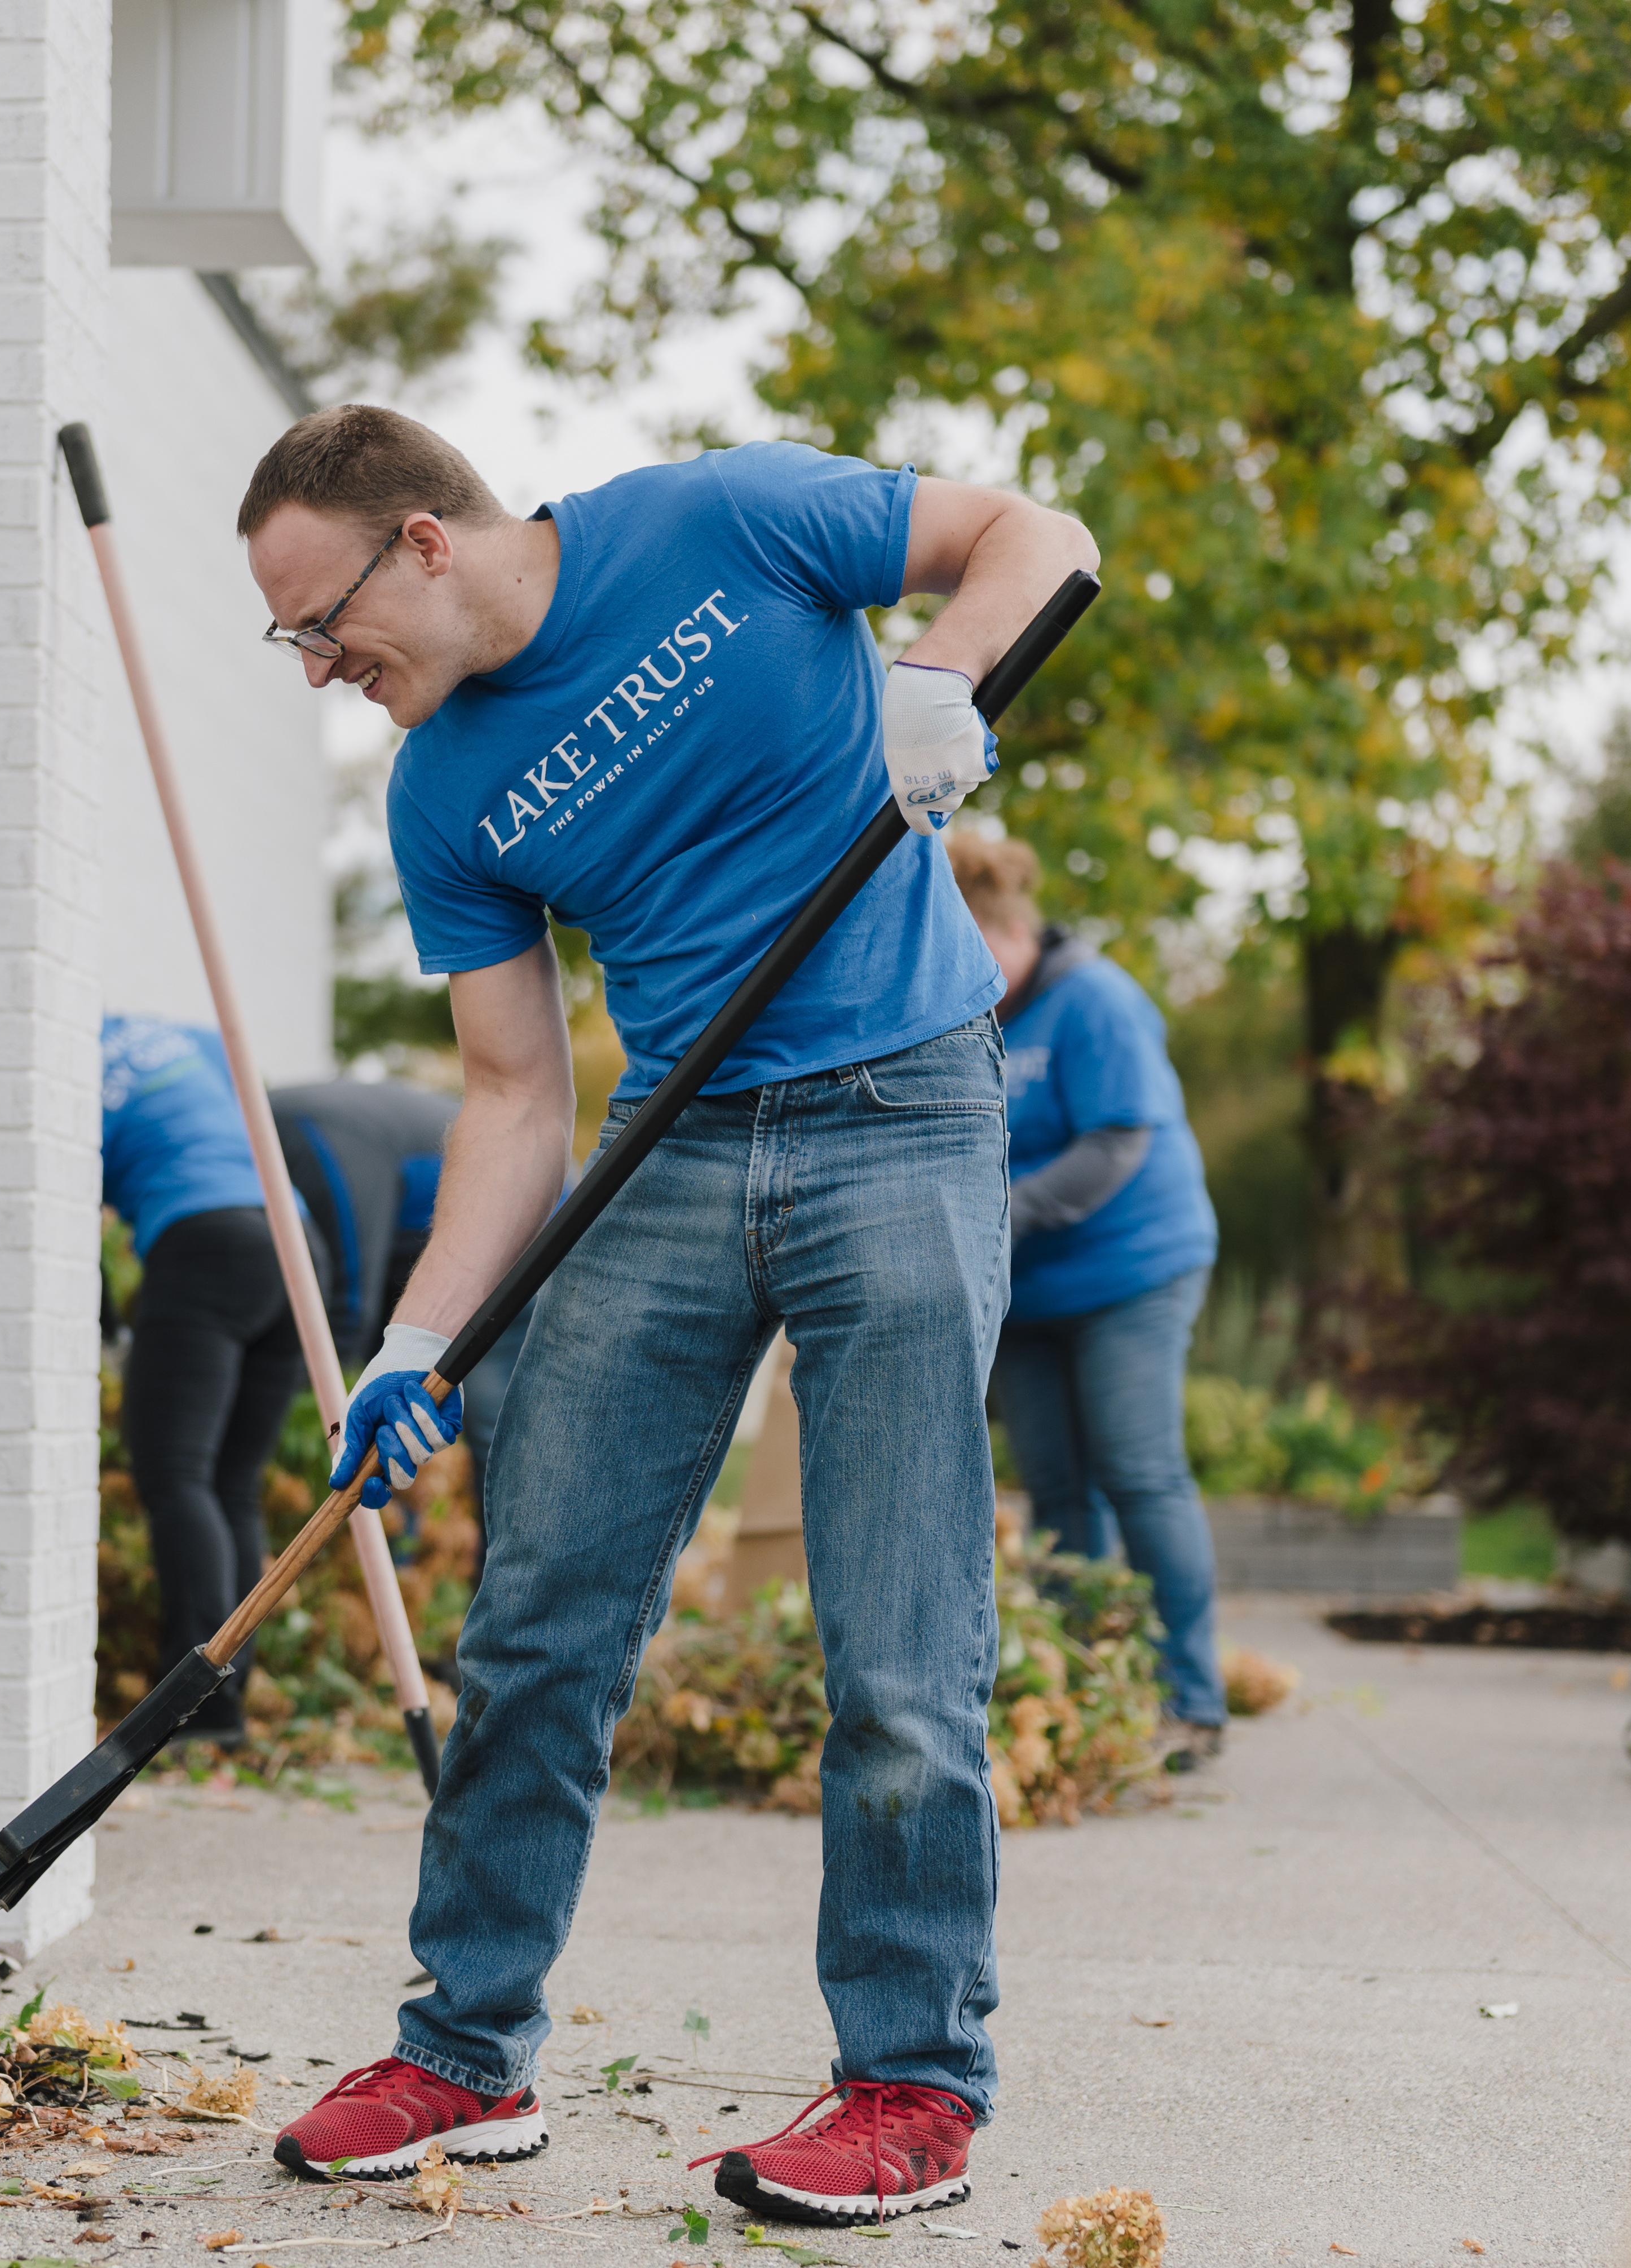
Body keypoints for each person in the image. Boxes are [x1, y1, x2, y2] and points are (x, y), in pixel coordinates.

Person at [236, 405, 1098, 2226]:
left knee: (892, 1646)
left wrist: (934, 684)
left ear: (423, 542)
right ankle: (461, 2050)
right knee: (539, 1617)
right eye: (290, 644)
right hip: (668, 1151)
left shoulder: (727, 519)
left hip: (902, 1110)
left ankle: (909, 2085)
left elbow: (1040, 532)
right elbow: (507, 1096)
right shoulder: (439, 788)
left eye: (321, 621)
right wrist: (415, 1340)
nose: (321, 667)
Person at [945, 836, 1227, 1770]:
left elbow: (1115, 1144)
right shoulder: (961, 1018)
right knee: (1055, 1487)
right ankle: (1091, 1686)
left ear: (1011, 931)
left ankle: (1191, 1699)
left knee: (1138, 1470)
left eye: (974, 950)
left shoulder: (1093, 999)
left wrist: (998, 1209)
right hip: (1025, 1284)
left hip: (1131, 1270)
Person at [101, 1013, 317, 1748]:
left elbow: (61, 1200)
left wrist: (103, 1323)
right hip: (294, 1238)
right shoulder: (187, 1035)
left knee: (176, 1474)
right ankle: (224, 1708)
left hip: (205, 1239)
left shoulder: (60, 1048)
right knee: (231, 1481)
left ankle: (188, 1710)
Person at [270, 1077, 522, 1465]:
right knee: (393, 1411)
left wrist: (315, 1417)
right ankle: (403, 1517)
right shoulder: (273, 1132)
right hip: (419, 1250)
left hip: (525, 1223)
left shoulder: (314, 1138)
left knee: (496, 1429)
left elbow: (351, 1303)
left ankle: (506, 1528)